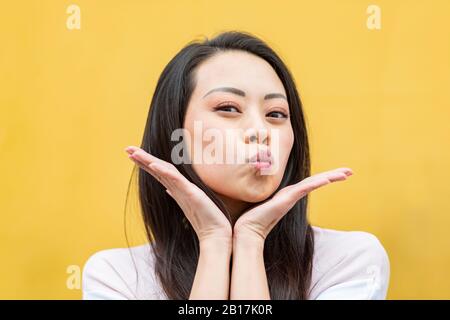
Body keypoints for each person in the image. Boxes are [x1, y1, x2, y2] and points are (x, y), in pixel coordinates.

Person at [82, 31, 390, 300]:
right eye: (228, 108)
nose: (260, 130)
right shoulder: (117, 278)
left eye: (277, 114)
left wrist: (251, 240)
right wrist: (214, 242)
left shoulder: (349, 260)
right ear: (175, 134)